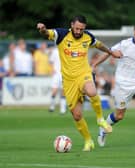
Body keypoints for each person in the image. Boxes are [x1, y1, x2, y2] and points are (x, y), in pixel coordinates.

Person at [37, 15, 120, 151]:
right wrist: (43, 29)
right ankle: (88, 141)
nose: (78, 31)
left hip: (84, 74)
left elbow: (98, 45)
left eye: (81, 29)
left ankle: (100, 119)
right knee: (77, 115)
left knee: (92, 92)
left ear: (84, 28)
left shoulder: (87, 37)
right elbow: (47, 33)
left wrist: (110, 52)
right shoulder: (62, 34)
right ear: (72, 25)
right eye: (76, 28)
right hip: (69, 81)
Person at [48, 47, 66, 114]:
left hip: (64, 74)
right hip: (56, 74)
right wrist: (52, 70)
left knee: (63, 92)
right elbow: (51, 61)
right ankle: (52, 106)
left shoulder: (66, 50)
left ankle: (62, 108)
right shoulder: (55, 51)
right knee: (54, 91)